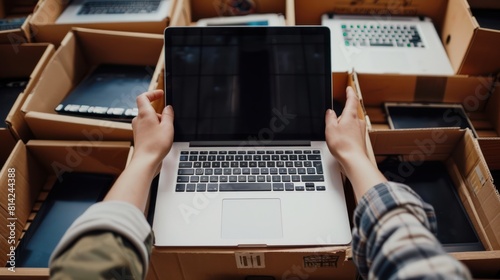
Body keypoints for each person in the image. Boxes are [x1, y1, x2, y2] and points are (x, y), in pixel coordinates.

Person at [49, 87, 472, 279]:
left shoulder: (89, 265)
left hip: (295, 153)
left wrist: (144, 158)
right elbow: (403, 248)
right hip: (199, 152)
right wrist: (355, 157)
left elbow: (96, 259)